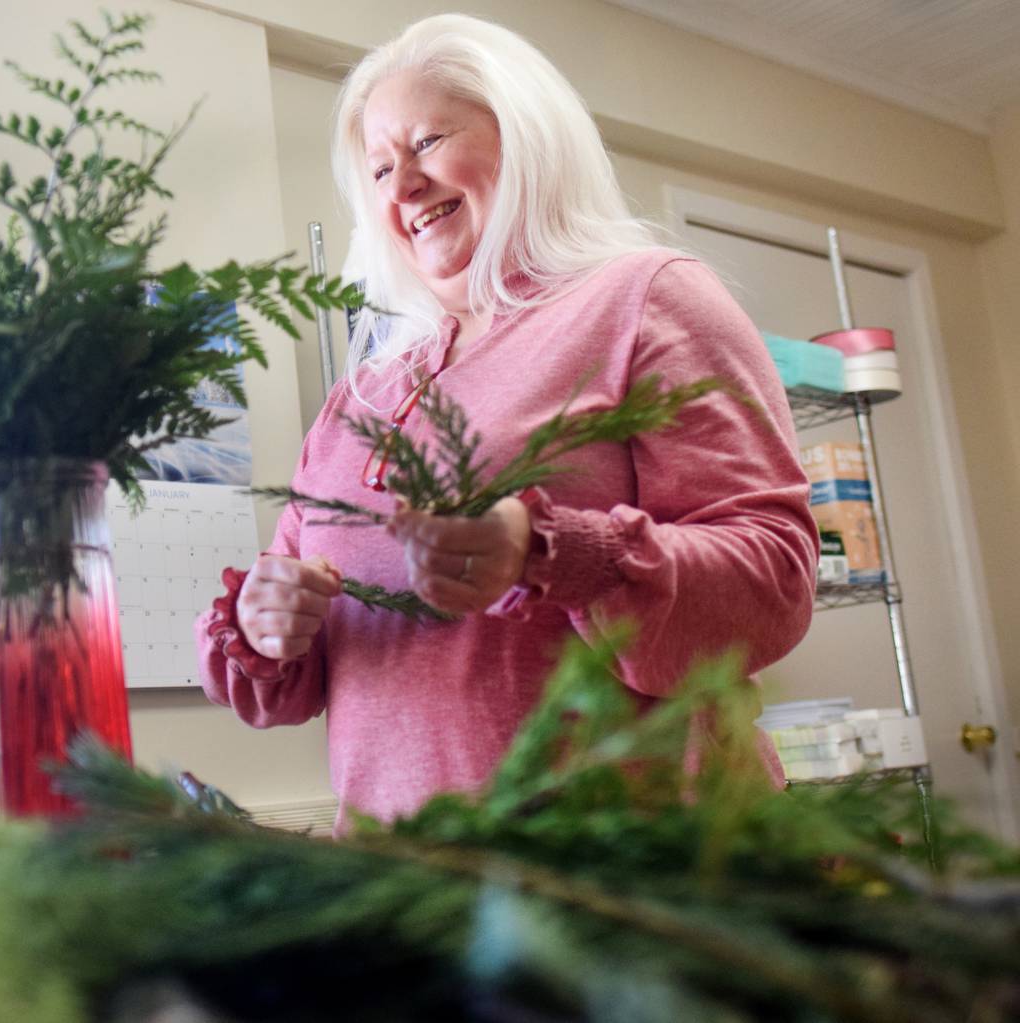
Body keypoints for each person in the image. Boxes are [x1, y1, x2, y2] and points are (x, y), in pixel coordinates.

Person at [195, 13, 817, 824]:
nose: (403, 186)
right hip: (413, 894)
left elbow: (773, 579)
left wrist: (561, 555)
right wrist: (263, 621)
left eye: (424, 144)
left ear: (522, 136)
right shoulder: (361, 398)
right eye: (379, 170)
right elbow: (290, 672)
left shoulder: (644, 296)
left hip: (644, 877)